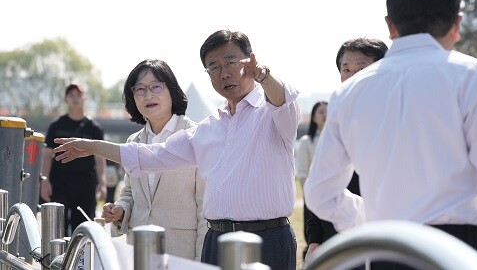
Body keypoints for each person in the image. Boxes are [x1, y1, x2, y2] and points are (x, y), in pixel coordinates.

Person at [53, 29, 301, 270]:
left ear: (249, 62)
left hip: (266, 239)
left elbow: (283, 99)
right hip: (216, 241)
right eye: (214, 67)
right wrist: (93, 147)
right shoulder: (209, 127)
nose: (224, 73)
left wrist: (264, 76)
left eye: (231, 62)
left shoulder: (274, 114)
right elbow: (153, 155)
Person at [304, 0, 477, 269]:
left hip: (385, 250)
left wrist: (370, 218)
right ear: (456, 24)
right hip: (459, 251)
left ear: (390, 25)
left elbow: (320, 194)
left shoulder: (350, 91)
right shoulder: (472, 76)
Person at [101, 59, 207, 261]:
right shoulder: (134, 141)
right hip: (139, 250)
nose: (148, 95)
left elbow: (205, 209)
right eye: (139, 89)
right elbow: (130, 191)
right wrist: (121, 210)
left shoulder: (195, 137)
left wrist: (200, 262)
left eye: (156, 86)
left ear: (172, 90)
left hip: (181, 254)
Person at [304, 38, 388, 262]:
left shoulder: (397, 116)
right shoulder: (338, 118)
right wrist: (315, 239)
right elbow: (320, 183)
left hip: (390, 239)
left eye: (362, 69)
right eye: (346, 69)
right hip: (341, 241)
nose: (352, 77)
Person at [40, 83, 107, 236]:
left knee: (83, 227)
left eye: (79, 95)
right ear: (66, 100)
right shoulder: (56, 126)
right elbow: (47, 155)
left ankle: (80, 259)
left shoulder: (94, 128)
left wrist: (102, 183)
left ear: (85, 99)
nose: (75, 98)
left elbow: (100, 158)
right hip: (60, 182)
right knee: (57, 226)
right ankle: (57, 259)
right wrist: (44, 180)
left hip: (85, 183)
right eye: (71, 95)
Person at [295, 100, 328, 258]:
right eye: (321, 112)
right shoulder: (306, 142)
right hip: (313, 198)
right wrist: (310, 197)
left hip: (332, 199)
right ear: (314, 117)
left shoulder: (337, 140)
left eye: (328, 111)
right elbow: (302, 173)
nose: (325, 115)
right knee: (314, 238)